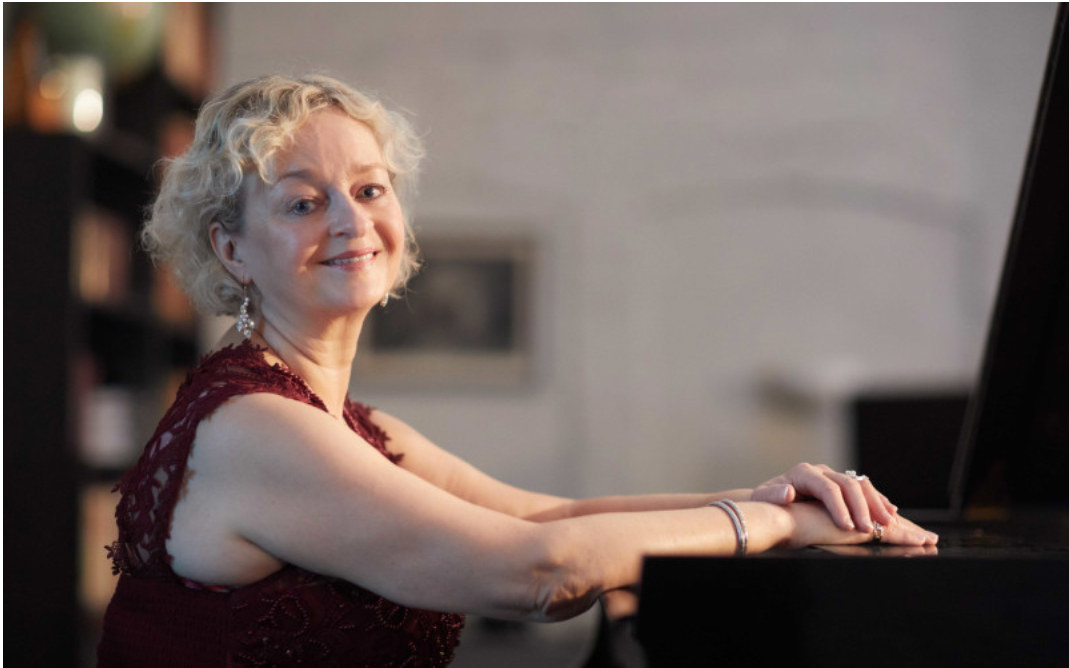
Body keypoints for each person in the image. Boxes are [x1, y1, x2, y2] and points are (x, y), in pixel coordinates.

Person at [97, 74, 938, 667]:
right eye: (303, 201)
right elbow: (538, 572)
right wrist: (772, 527)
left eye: (371, 189)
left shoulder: (356, 428)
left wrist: (772, 497)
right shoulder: (254, 429)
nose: (352, 221)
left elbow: (550, 517)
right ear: (232, 249)